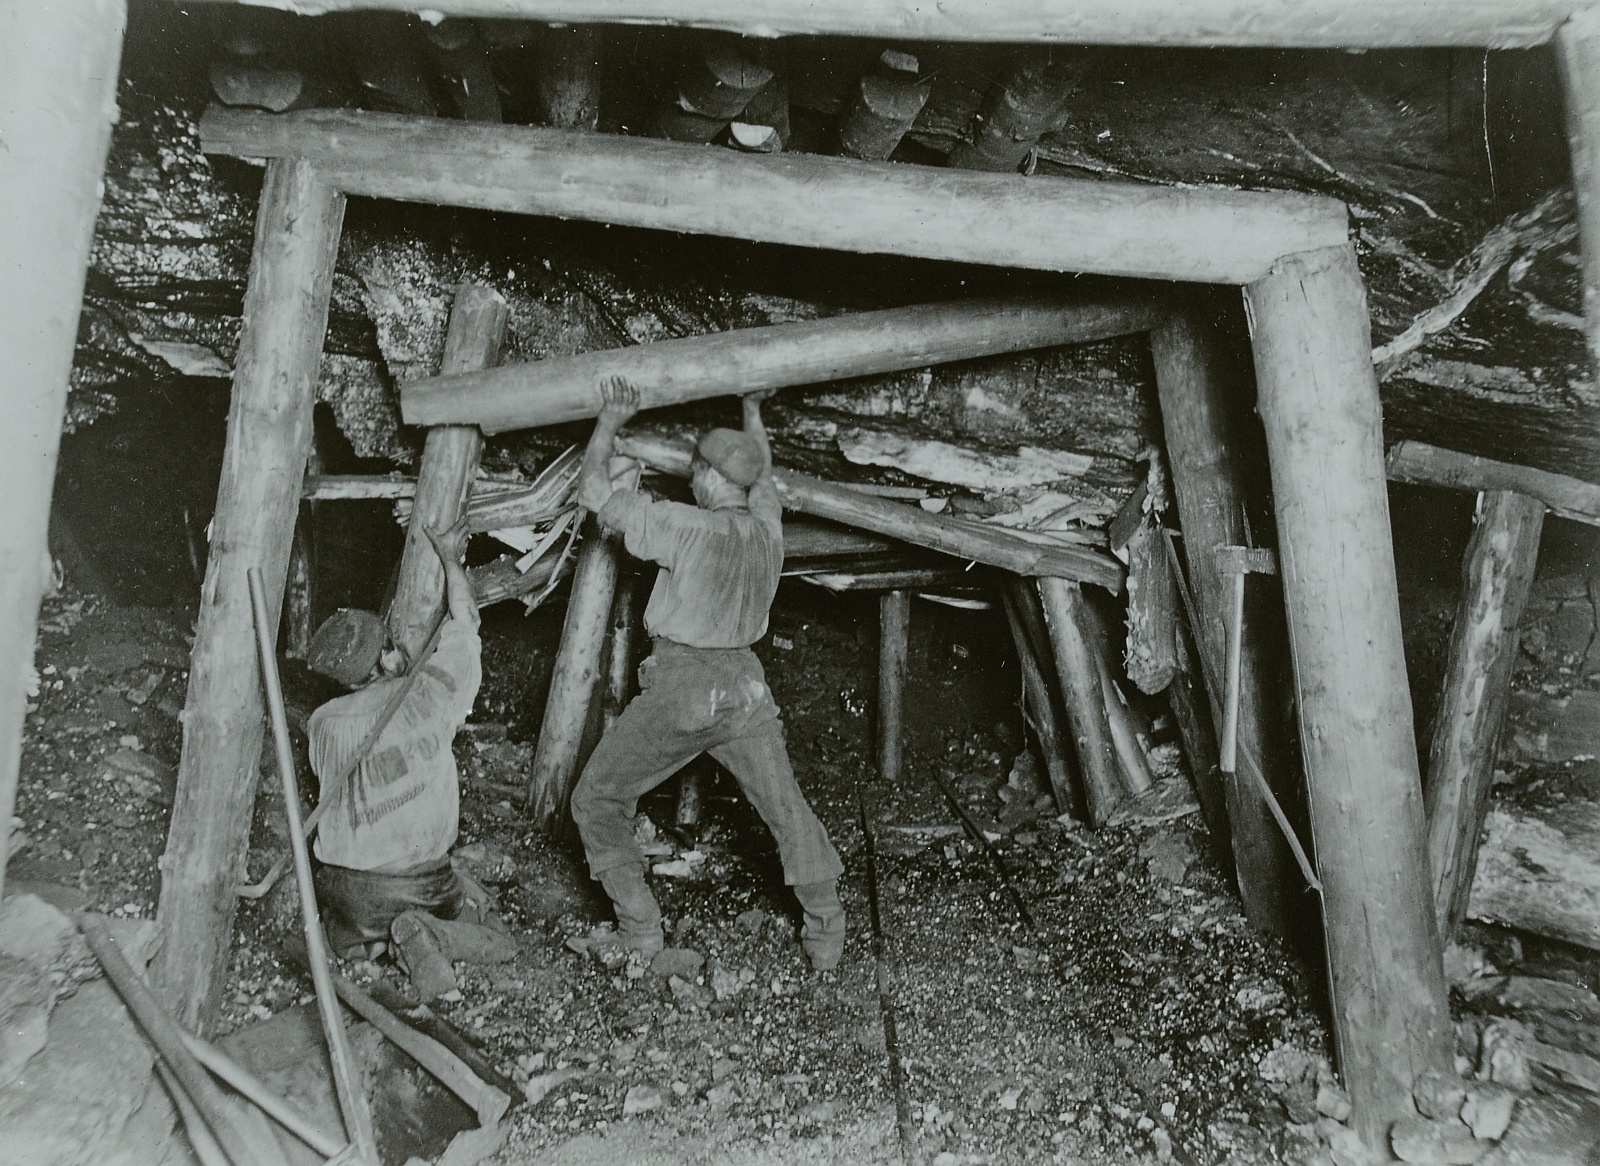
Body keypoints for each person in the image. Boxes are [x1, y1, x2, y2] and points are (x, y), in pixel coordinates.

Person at [569, 377, 846, 971]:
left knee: (597, 797)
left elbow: (592, 490)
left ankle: (640, 930)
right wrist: (752, 409)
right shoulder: (768, 529)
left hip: (687, 685)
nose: (692, 481)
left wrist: (610, 420)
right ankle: (827, 934)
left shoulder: (688, 527)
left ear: (713, 478)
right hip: (746, 688)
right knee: (787, 811)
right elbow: (763, 475)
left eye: (697, 472)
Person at [305, 518, 483, 958]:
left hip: (350, 891)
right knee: (481, 919)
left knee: (353, 924)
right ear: (386, 656)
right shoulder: (431, 692)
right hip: (423, 885)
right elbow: (468, 619)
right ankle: (424, 938)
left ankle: (369, 945)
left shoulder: (321, 723)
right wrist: (449, 557)